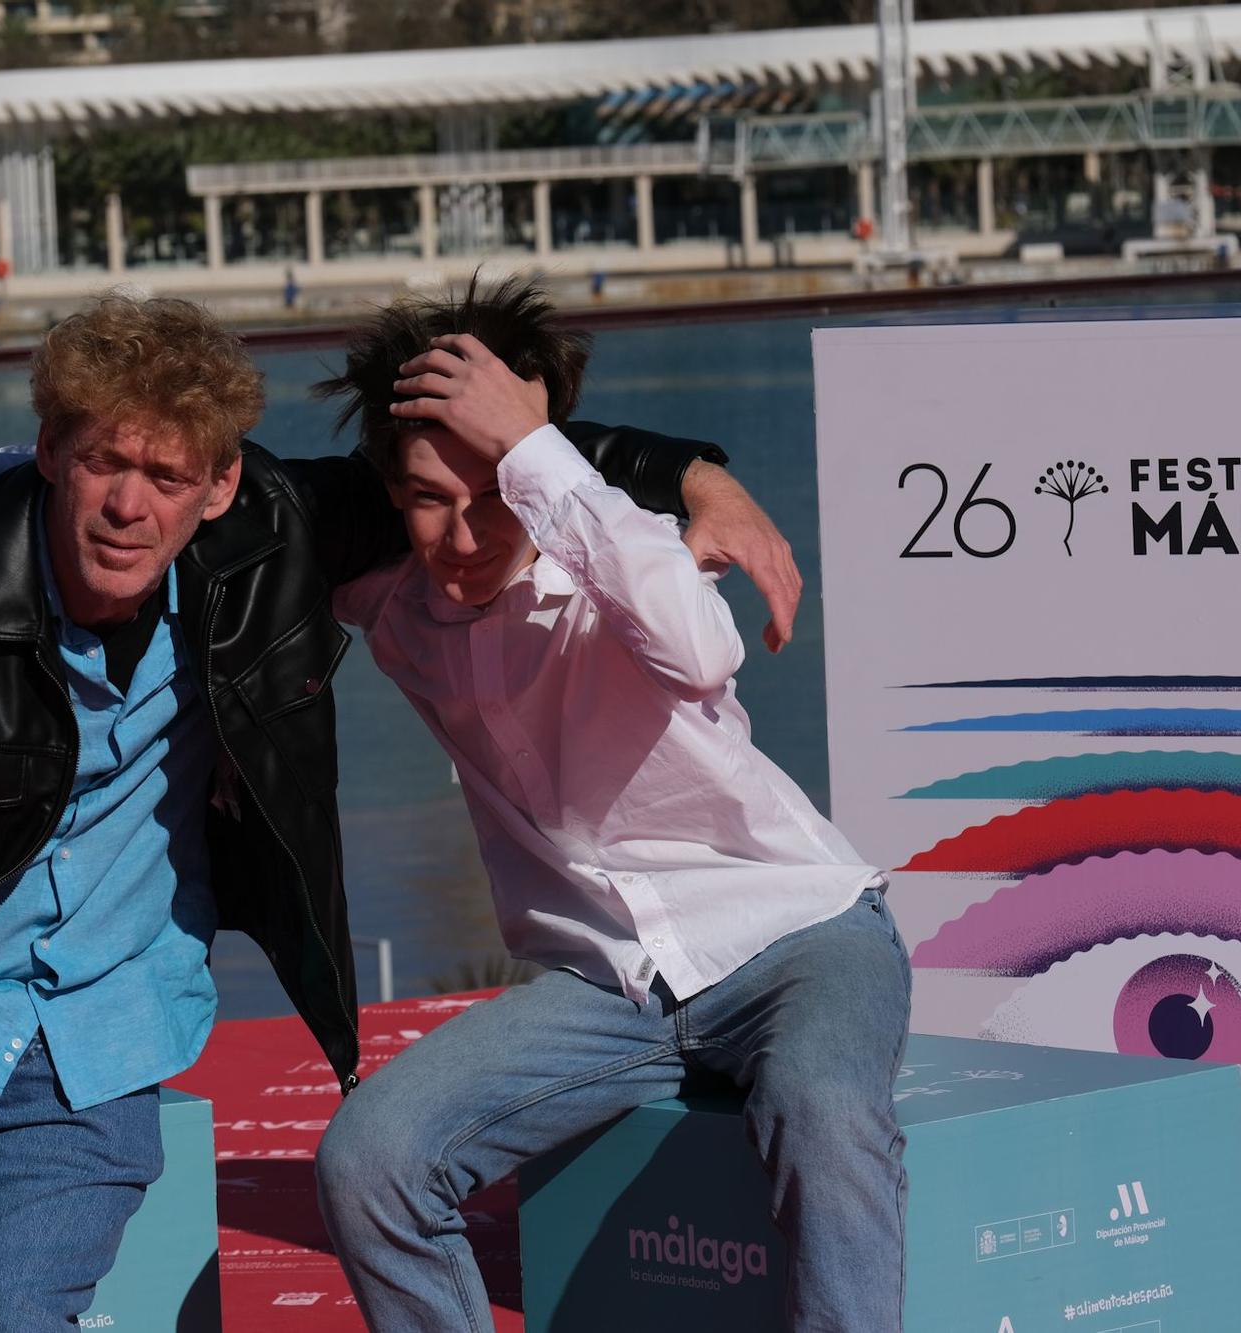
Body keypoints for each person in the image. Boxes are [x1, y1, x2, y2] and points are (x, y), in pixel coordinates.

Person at [0, 291, 782, 1331]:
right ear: (54, 453)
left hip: (95, 1044)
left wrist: (698, 476)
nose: (129, 506)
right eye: (107, 463)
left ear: (218, 486)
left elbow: (490, 463)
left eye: (166, 477)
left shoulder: (269, 534)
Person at [310, 281, 911, 1331]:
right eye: (426, 500)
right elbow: (201, 492)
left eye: (495, 491)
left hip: (796, 933)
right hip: (603, 983)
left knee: (818, 1108)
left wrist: (546, 455)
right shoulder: (391, 602)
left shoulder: (614, 554)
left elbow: (702, 649)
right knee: (370, 1159)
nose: (462, 536)